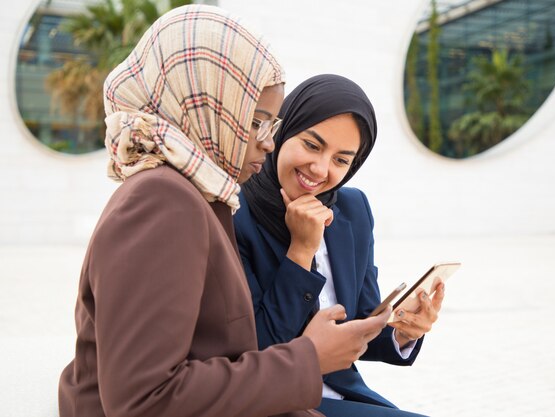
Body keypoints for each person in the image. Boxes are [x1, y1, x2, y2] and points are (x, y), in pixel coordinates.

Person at [58, 7, 391, 417]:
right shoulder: (162, 201)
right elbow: (142, 401)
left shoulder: (197, 195)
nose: (266, 143)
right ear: (210, 107)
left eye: (270, 125)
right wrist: (308, 359)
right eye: (255, 121)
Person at [234, 74, 445, 417]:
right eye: (312, 145)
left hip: (342, 394)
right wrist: (300, 251)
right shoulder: (236, 213)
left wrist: (402, 329)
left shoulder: (352, 209)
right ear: (281, 133)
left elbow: (358, 320)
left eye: (341, 160)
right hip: (276, 399)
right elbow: (258, 346)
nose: (320, 169)